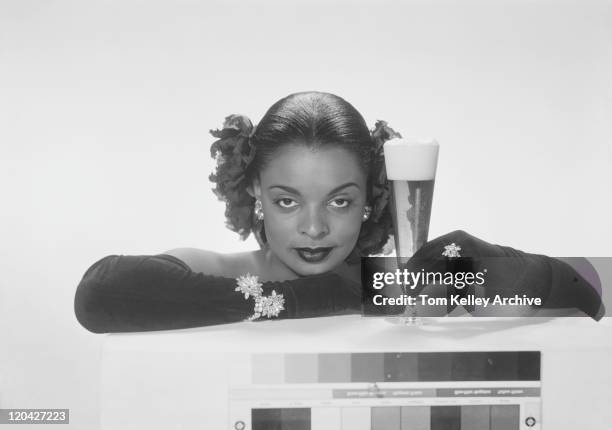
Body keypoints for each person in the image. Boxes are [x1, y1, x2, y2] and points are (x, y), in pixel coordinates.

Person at [74, 91, 604, 333]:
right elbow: (101, 292)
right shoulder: (211, 269)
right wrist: (358, 291)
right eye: (287, 200)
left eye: (339, 200)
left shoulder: (423, 284)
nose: (313, 227)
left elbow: (593, 292)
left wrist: (506, 267)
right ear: (253, 189)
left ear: (373, 196)